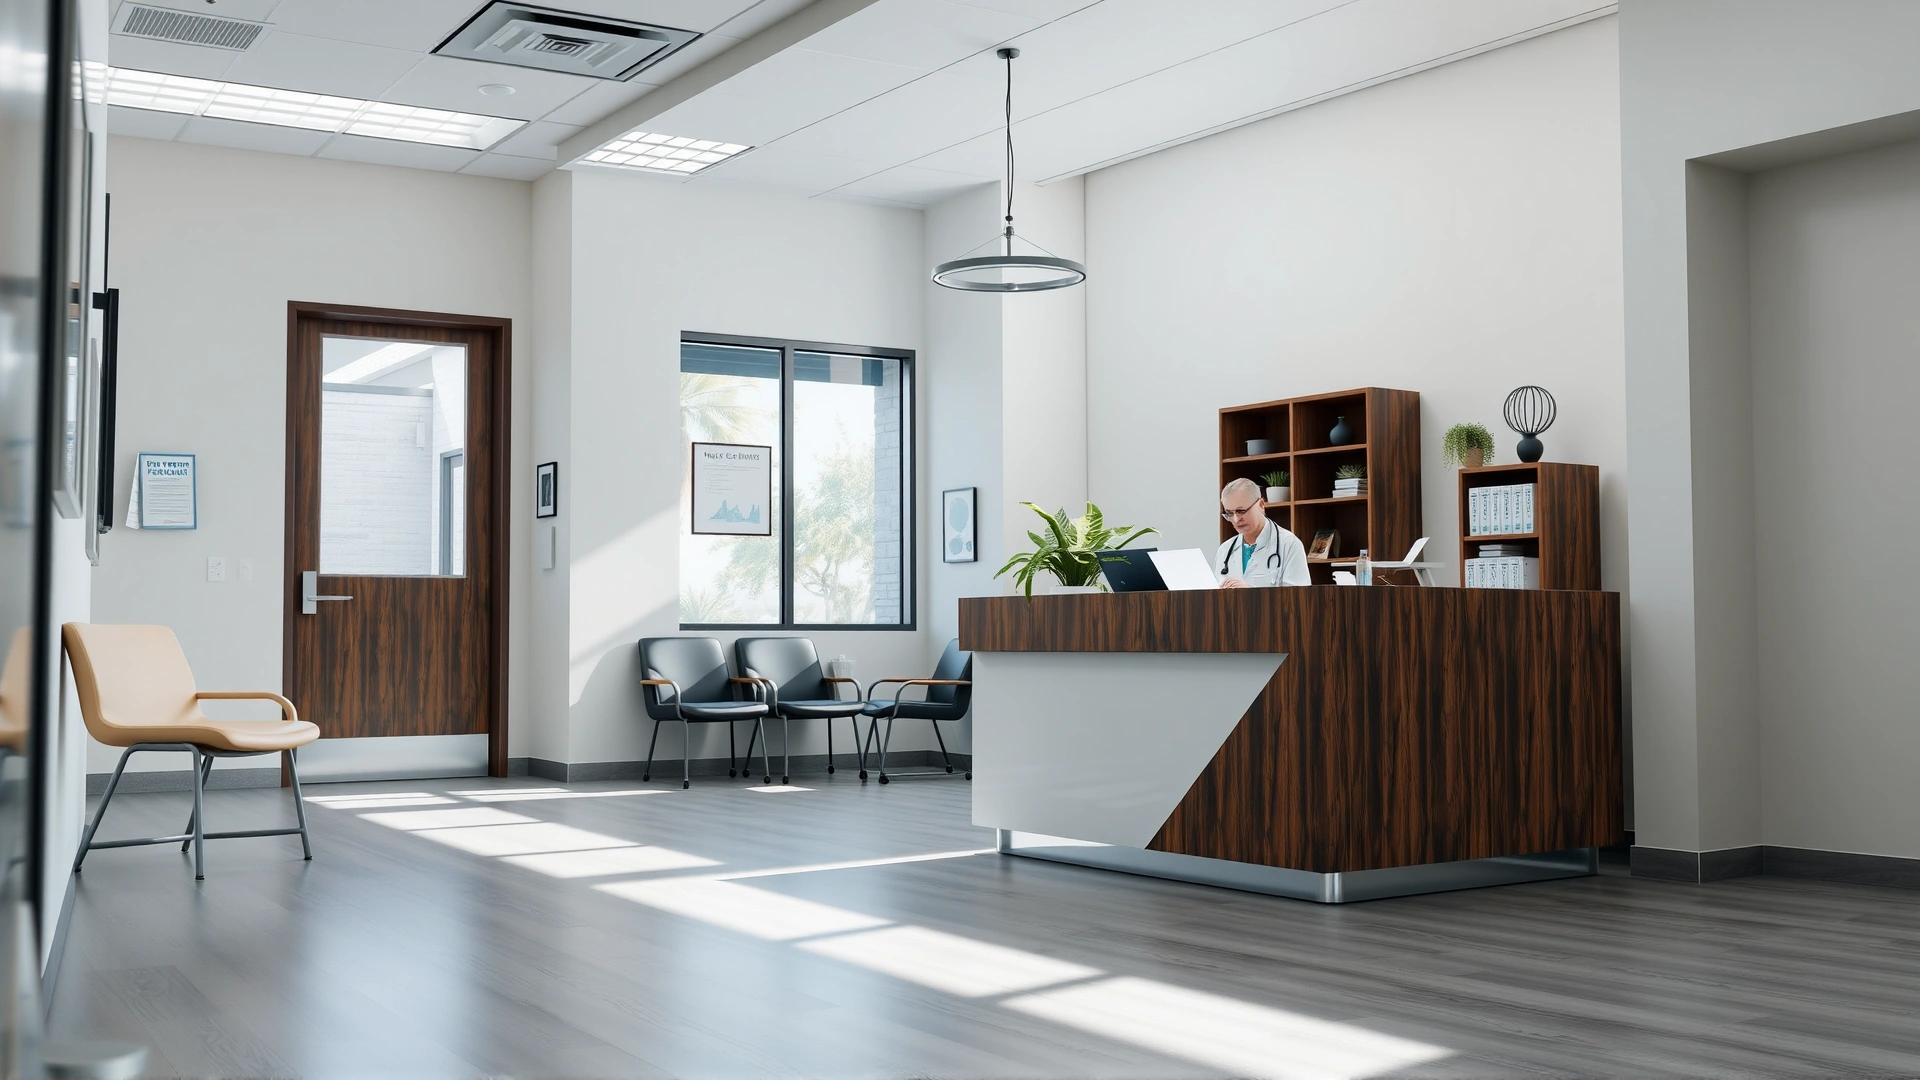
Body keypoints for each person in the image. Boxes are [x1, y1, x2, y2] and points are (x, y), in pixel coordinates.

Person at [1214, 478, 1311, 588]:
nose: (1236, 520)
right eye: (1229, 514)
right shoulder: (1224, 550)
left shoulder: (1289, 545)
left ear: (1261, 504)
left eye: (1241, 511)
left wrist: (1250, 595)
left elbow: (1297, 601)